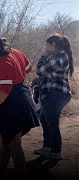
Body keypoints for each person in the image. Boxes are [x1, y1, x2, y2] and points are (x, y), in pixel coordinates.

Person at [0, 37, 40, 176]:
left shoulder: (2, 62)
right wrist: (17, 76)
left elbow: (4, 91)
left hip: (13, 103)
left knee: (14, 143)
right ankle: (1, 170)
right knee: (7, 138)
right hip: (20, 97)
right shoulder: (15, 52)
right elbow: (28, 68)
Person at [34, 34, 73, 162]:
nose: (46, 47)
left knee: (52, 122)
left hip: (56, 93)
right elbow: (46, 73)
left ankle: (56, 151)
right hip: (53, 93)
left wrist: (43, 57)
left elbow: (40, 70)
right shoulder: (56, 56)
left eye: (48, 45)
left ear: (54, 45)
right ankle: (48, 147)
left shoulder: (60, 56)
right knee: (45, 120)